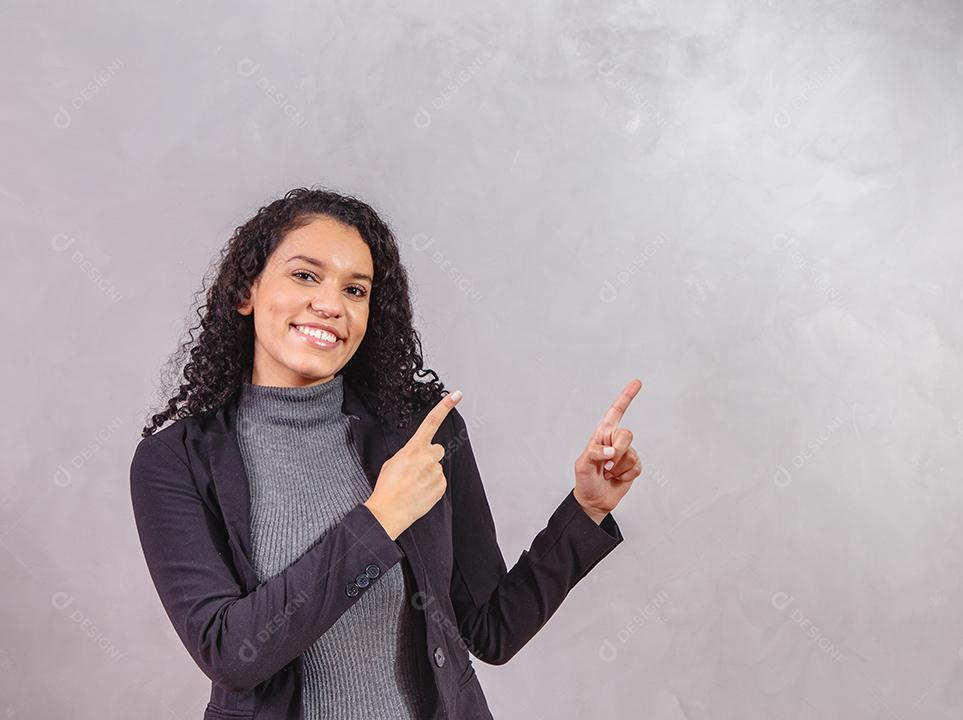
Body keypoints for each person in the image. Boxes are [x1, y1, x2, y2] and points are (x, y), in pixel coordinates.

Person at [129, 186, 644, 720]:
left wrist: (586, 509)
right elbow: (230, 653)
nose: (331, 305)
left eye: (355, 290)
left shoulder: (420, 433)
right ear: (247, 291)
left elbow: (490, 630)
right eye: (305, 275)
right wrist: (379, 520)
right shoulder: (177, 461)